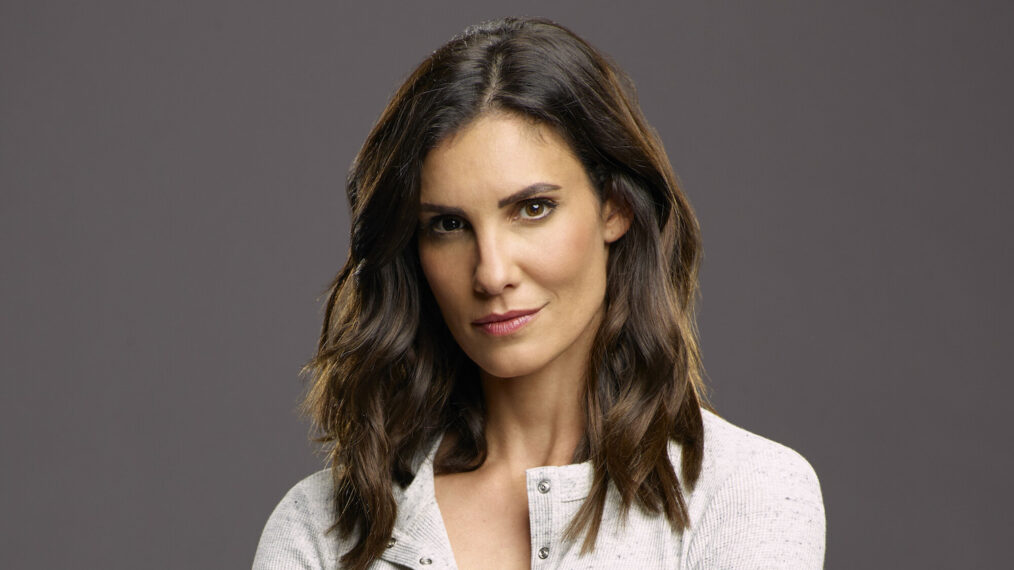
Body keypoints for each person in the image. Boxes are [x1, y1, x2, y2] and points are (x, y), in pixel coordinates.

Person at [253, 16, 826, 570]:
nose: (491, 273)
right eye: (448, 225)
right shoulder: (320, 527)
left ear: (615, 207)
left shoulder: (745, 493)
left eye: (532, 208)